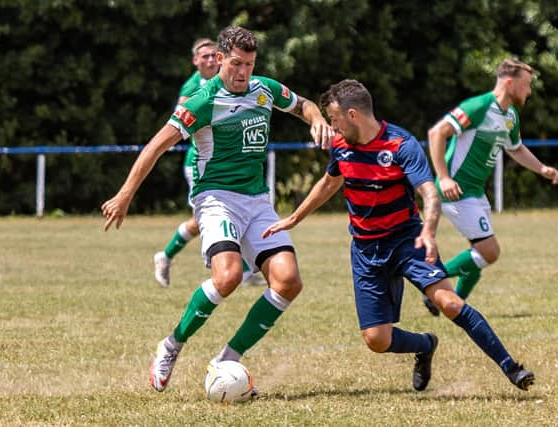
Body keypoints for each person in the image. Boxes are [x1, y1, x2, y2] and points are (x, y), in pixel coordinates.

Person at [101, 26, 334, 395]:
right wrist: (126, 193)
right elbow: (155, 146)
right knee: (227, 278)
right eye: (237, 64)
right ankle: (172, 345)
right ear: (221, 59)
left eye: (250, 65)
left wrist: (317, 119)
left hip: (257, 201)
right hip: (216, 199)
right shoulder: (201, 101)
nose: (243, 72)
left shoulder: (264, 89)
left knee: (288, 282)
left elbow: (303, 104)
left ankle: (228, 359)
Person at [263, 79, 535, 391]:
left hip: (408, 241)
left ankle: (512, 368)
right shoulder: (341, 145)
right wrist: (295, 218)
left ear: (353, 115)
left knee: (448, 302)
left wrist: (429, 232)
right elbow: (330, 182)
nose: (332, 126)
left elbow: (430, 194)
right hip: (366, 250)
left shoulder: (400, 144)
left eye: (335, 118)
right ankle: (425, 345)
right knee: (377, 340)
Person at [421, 58, 558, 316]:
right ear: (509, 83)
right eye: (526, 84)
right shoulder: (479, 106)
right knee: (489, 251)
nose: (529, 91)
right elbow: (437, 133)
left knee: (480, 253)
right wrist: (443, 177)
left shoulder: (510, 116)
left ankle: (451, 304)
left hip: (475, 192)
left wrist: (541, 168)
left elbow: (515, 148)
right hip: (457, 190)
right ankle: (431, 280)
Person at [153, 37, 265, 288]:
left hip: (226, 164)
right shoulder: (193, 87)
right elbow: (178, 123)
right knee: (207, 218)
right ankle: (168, 255)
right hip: (201, 164)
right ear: (195, 61)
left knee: (213, 217)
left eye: (212, 54)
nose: (209, 59)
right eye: (203, 56)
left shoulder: (232, 80)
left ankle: (243, 269)